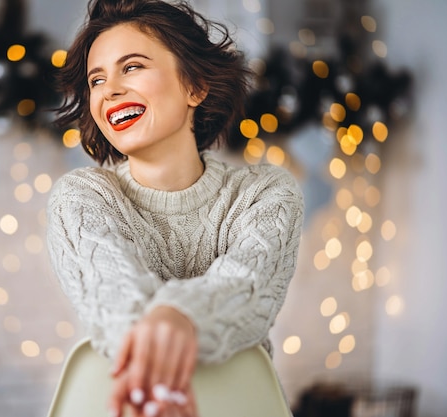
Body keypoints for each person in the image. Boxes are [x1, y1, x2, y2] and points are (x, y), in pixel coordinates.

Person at [46, 0, 304, 416]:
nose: (109, 89)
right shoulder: (80, 197)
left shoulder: (265, 193)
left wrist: (177, 316)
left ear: (195, 87)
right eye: (97, 80)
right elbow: (115, 302)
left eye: (131, 67)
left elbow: (246, 290)